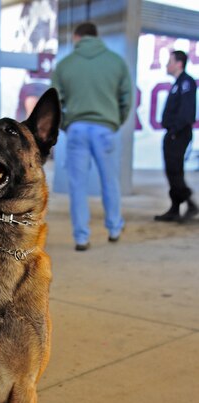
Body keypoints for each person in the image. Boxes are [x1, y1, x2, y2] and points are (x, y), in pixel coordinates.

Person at [51, 22, 132, 251]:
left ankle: (81, 237)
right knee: (110, 181)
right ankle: (114, 228)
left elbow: (54, 102)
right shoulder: (116, 62)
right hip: (105, 128)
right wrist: (115, 120)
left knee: (77, 185)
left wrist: (66, 123)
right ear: (96, 37)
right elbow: (126, 98)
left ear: (77, 37)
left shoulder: (65, 64)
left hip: (76, 128)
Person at [155, 50, 198, 222]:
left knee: (175, 171)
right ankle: (175, 208)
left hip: (178, 134)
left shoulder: (186, 82)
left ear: (179, 63)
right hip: (173, 133)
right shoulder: (177, 83)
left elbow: (186, 112)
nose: (167, 65)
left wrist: (174, 131)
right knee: (172, 171)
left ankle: (190, 202)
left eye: (169, 62)